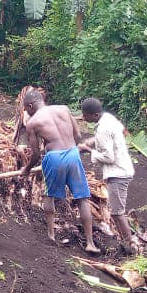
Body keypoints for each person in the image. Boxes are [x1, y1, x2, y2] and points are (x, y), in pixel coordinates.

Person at [19, 89, 98, 252]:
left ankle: (51, 235)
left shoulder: (33, 123)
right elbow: (77, 135)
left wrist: (26, 169)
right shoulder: (64, 109)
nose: (27, 112)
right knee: (82, 198)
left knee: (49, 195)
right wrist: (71, 150)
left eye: (26, 109)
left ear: (30, 105)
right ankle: (90, 243)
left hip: (54, 158)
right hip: (73, 154)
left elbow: (35, 154)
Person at [80, 98, 140, 253]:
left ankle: (131, 246)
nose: (83, 118)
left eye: (85, 115)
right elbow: (119, 130)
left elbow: (109, 158)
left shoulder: (103, 129)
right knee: (116, 211)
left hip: (117, 173)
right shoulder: (108, 119)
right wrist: (92, 141)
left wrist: (88, 150)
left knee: (116, 212)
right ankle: (128, 243)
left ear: (95, 115)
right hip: (123, 169)